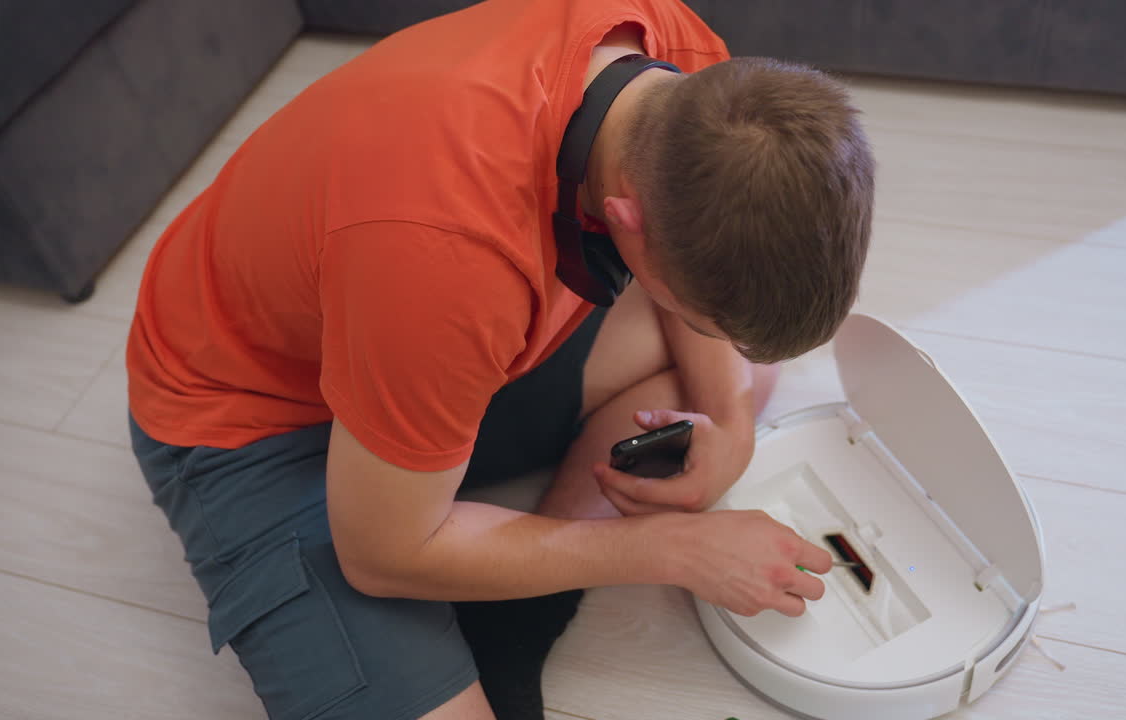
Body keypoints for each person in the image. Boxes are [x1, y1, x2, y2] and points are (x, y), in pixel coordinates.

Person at [125, 0, 875, 718]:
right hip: (252, 419)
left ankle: (514, 620)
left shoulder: (679, 66)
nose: (688, 322)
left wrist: (732, 427)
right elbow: (382, 552)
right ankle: (490, 576)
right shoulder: (441, 257)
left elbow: (716, 343)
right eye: (693, 310)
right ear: (625, 220)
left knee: (735, 383)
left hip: (398, 334)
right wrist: (670, 549)